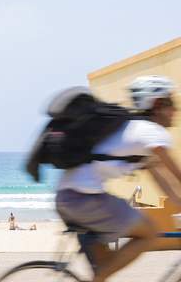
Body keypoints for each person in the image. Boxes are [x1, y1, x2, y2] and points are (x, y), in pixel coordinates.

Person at [56, 75, 181, 282]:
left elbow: (164, 182)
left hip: (68, 198)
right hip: (85, 200)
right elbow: (177, 175)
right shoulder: (152, 133)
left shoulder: (132, 130)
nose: (175, 111)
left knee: (106, 269)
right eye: (172, 104)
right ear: (158, 104)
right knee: (149, 233)